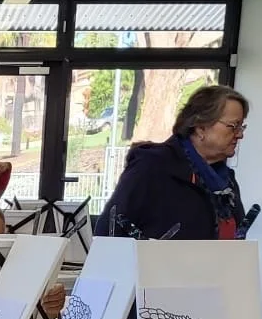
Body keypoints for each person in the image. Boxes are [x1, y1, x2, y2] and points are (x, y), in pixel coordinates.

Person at [95, 85, 250, 242]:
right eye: (233, 126)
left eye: (241, 127)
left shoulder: (226, 182)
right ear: (200, 128)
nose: (240, 135)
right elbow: (109, 232)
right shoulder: (153, 166)